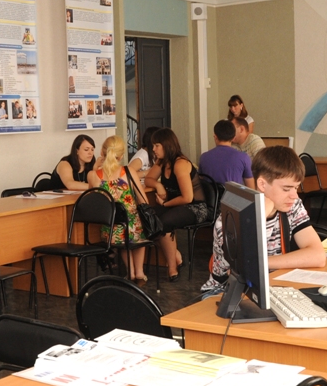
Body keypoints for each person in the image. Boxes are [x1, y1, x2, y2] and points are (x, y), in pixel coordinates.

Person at [203, 146, 326, 291]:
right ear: (262, 184)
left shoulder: (292, 205)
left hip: (270, 285)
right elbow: (242, 264)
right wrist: (261, 214)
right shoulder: (230, 216)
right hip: (225, 292)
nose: (294, 195)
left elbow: (318, 256)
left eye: (296, 187)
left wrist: (261, 263)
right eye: (286, 189)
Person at [145, 128, 209, 281]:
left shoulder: (180, 163)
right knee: (147, 217)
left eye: (157, 145)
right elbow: (148, 179)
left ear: (167, 145)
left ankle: (172, 268)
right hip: (176, 205)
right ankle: (177, 256)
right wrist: (158, 185)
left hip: (195, 207)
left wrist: (165, 204)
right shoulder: (162, 162)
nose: (153, 149)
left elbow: (187, 198)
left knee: (162, 222)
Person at [95, 136, 149, 285]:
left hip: (110, 231)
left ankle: (130, 271)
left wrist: (96, 166)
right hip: (133, 229)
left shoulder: (94, 176)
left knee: (122, 229)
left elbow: (95, 201)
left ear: (102, 152)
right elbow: (144, 200)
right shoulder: (129, 171)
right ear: (122, 155)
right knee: (137, 226)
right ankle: (140, 272)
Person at [199, 120, 254, 188]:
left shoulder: (204, 157)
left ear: (215, 137)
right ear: (233, 137)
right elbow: (251, 189)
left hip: (211, 195)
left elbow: (201, 183)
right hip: (233, 195)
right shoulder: (244, 158)